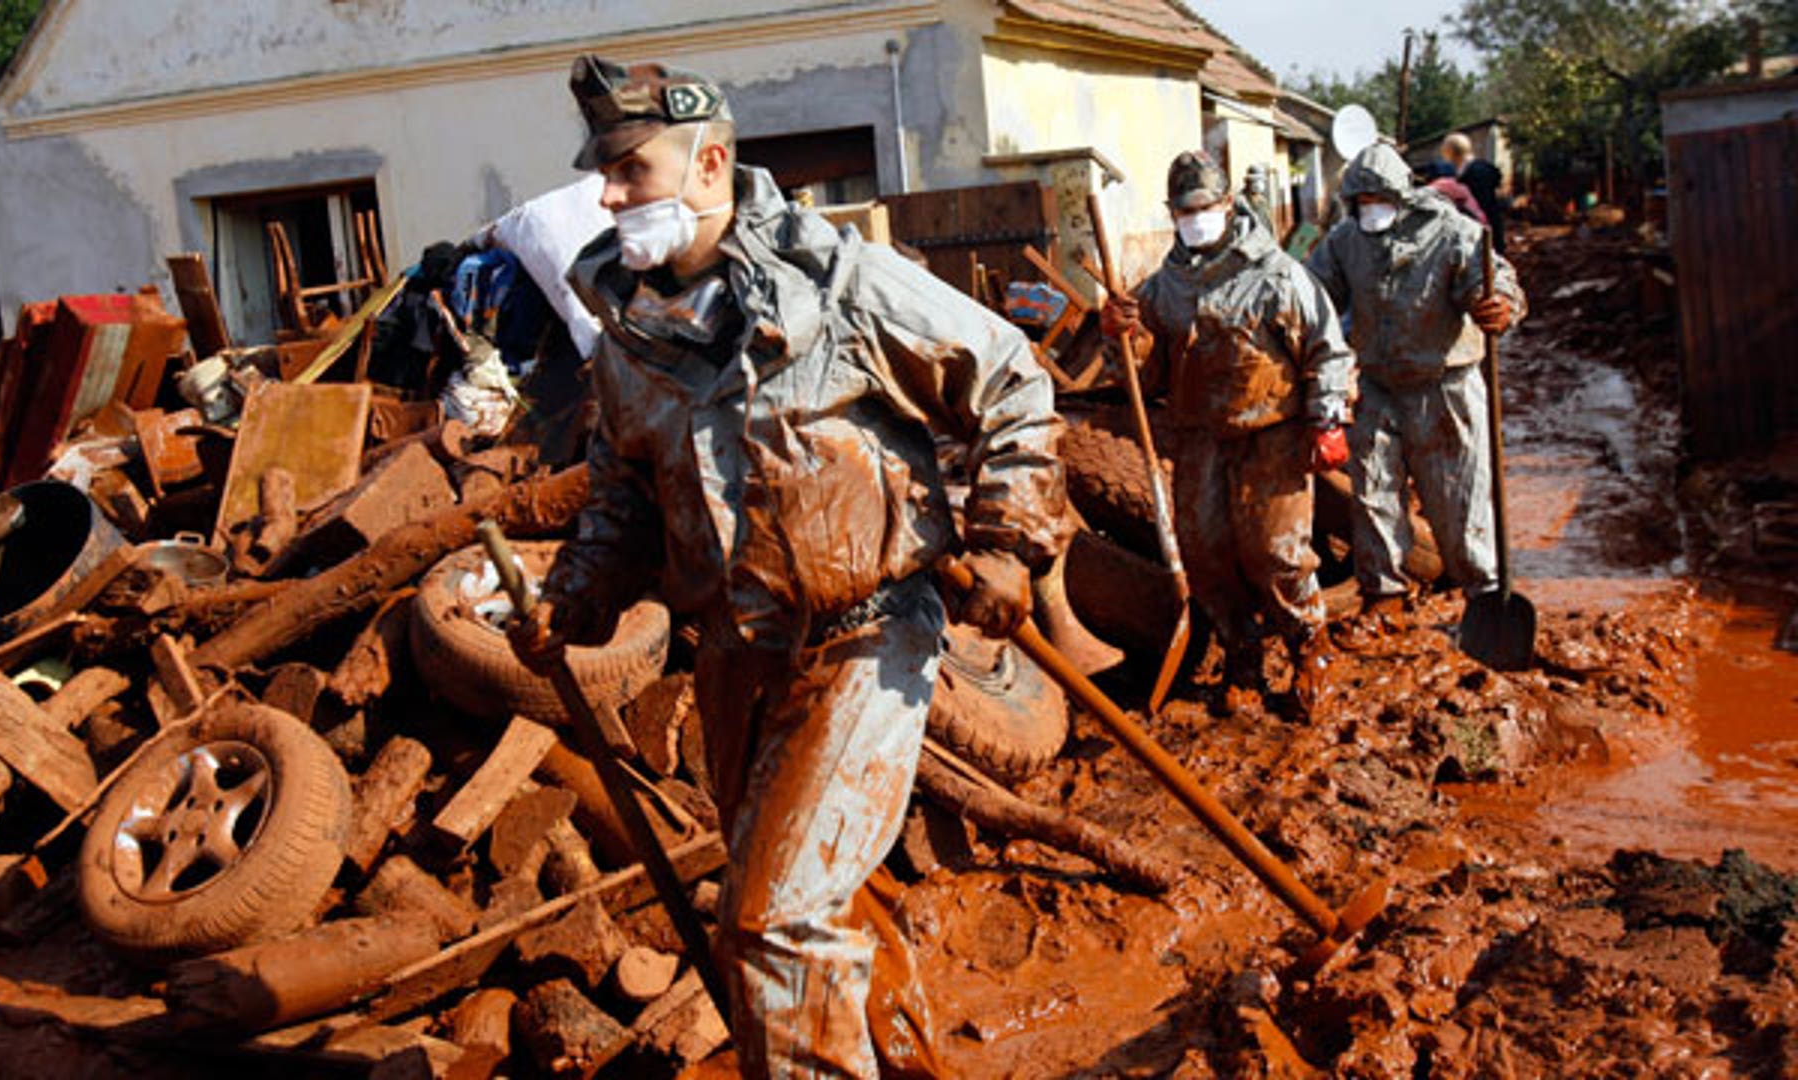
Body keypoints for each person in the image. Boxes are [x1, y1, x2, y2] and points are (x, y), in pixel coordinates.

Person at [510, 54, 1070, 1078]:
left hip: (866, 638)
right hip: (736, 656)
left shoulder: (842, 286)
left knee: (774, 922)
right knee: (817, 898)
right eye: (603, 173)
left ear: (709, 164)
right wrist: (577, 595)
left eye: (631, 170)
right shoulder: (627, 335)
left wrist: (1007, 539)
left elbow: (1011, 381)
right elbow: (623, 494)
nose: (608, 195)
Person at [1101, 151, 1356, 720]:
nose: (1196, 219)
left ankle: (1310, 648)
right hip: (1199, 436)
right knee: (1206, 552)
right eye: (1184, 211)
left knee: (1275, 551)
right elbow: (1144, 379)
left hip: (1272, 433)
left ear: (1228, 205)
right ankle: (1242, 656)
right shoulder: (1161, 290)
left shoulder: (1277, 275)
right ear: (1172, 213)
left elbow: (1327, 349)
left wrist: (1327, 418)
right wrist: (1123, 339)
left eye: (1205, 208)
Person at [1304, 142, 1524, 632]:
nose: (1370, 209)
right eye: (1361, 202)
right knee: (1374, 491)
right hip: (1378, 383)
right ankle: (1385, 592)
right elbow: (1313, 295)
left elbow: (1494, 279)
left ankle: (1484, 593)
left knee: (1459, 495)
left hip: (1444, 384)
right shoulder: (1345, 240)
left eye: (1379, 200)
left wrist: (1496, 304)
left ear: (1401, 196)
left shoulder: (1452, 231)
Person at [1441, 132, 1507, 253]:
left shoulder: (1476, 173)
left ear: (1450, 152)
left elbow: (1482, 207)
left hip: (1485, 232)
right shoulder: (1478, 168)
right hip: (1488, 228)